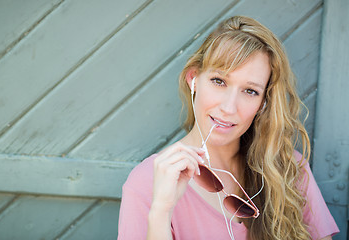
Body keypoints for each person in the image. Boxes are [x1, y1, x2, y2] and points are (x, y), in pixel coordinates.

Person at [117, 16, 339, 240]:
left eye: (250, 91)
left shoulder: (288, 167)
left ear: (263, 103)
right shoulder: (146, 182)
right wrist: (161, 212)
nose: (229, 107)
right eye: (219, 81)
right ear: (193, 79)